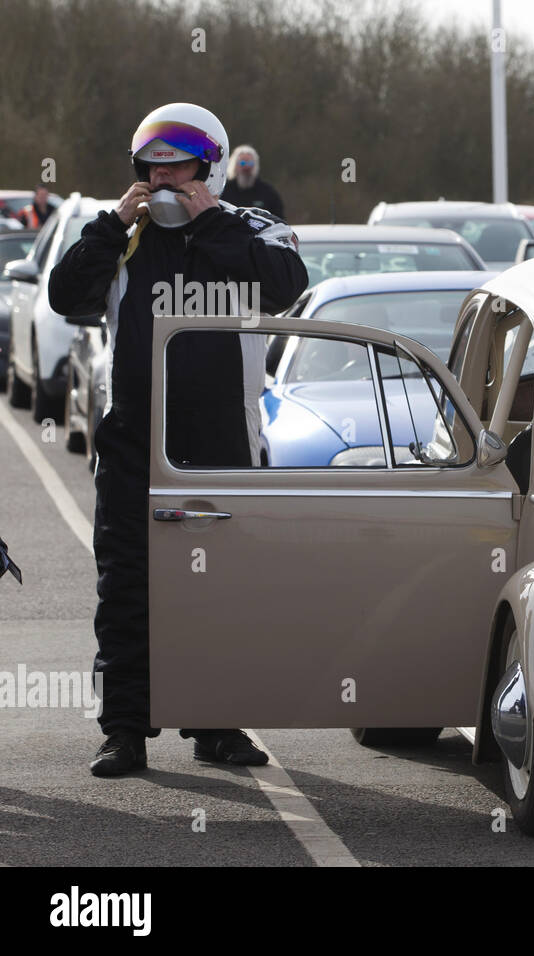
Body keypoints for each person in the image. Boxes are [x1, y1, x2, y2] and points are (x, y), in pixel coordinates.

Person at [48, 102, 308, 777]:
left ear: (212, 170)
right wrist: (113, 223)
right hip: (136, 439)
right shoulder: (121, 235)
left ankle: (217, 728)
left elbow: (284, 289)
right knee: (127, 590)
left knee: (218, 592)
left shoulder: (251, 228)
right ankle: (125, 730)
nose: (166, 183)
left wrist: (207, 222)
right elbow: (63, 293)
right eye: (153, 172)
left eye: (181, 171)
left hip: (222, 442)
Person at [220, 145, 285, 219]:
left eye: (250, 163)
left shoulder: (268, 193)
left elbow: (280, 219)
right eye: (242, 163)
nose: (246, 167)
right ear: (235, 166)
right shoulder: (224, 191)